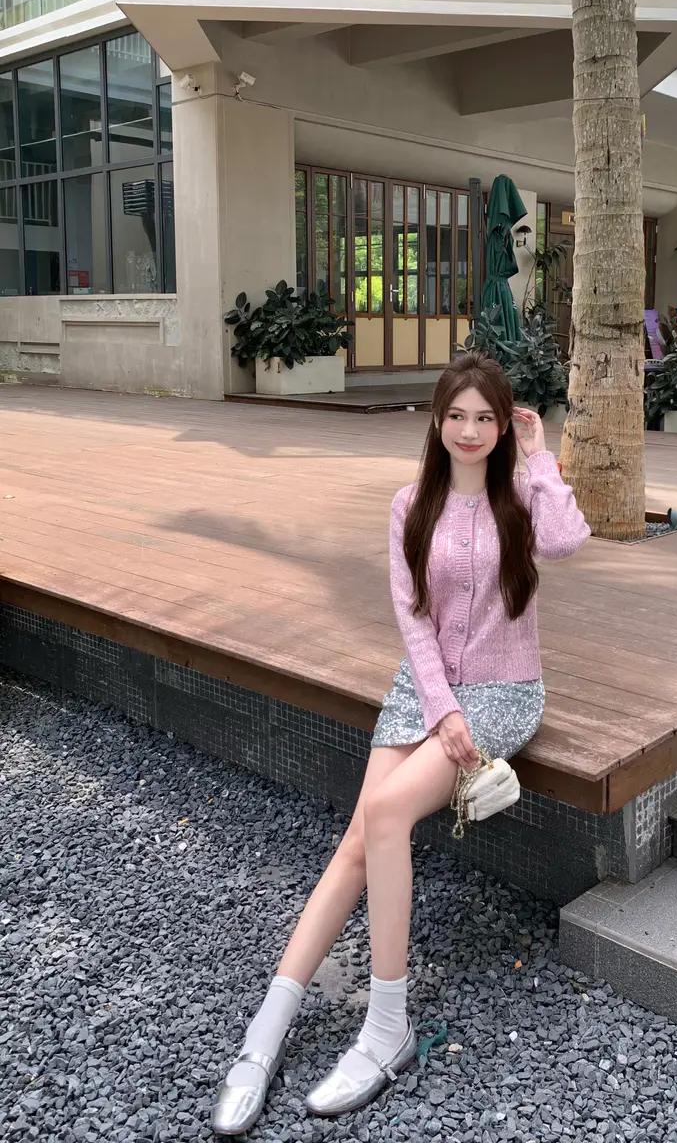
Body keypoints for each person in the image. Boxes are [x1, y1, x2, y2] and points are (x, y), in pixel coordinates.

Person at [211, 352, 590, 1132]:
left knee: (384, 816)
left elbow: (567, 542)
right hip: (424, 691)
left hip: (505, 692)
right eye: (458, 416)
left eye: (485, 418)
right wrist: (441, 708)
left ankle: (387, 1031)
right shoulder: (409, 504)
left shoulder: (523, 494)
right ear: (437, 421)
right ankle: (266, 1031)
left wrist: (541, 455)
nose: (470, 431)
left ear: (502, 425)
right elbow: (412, 617)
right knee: (356, 843)